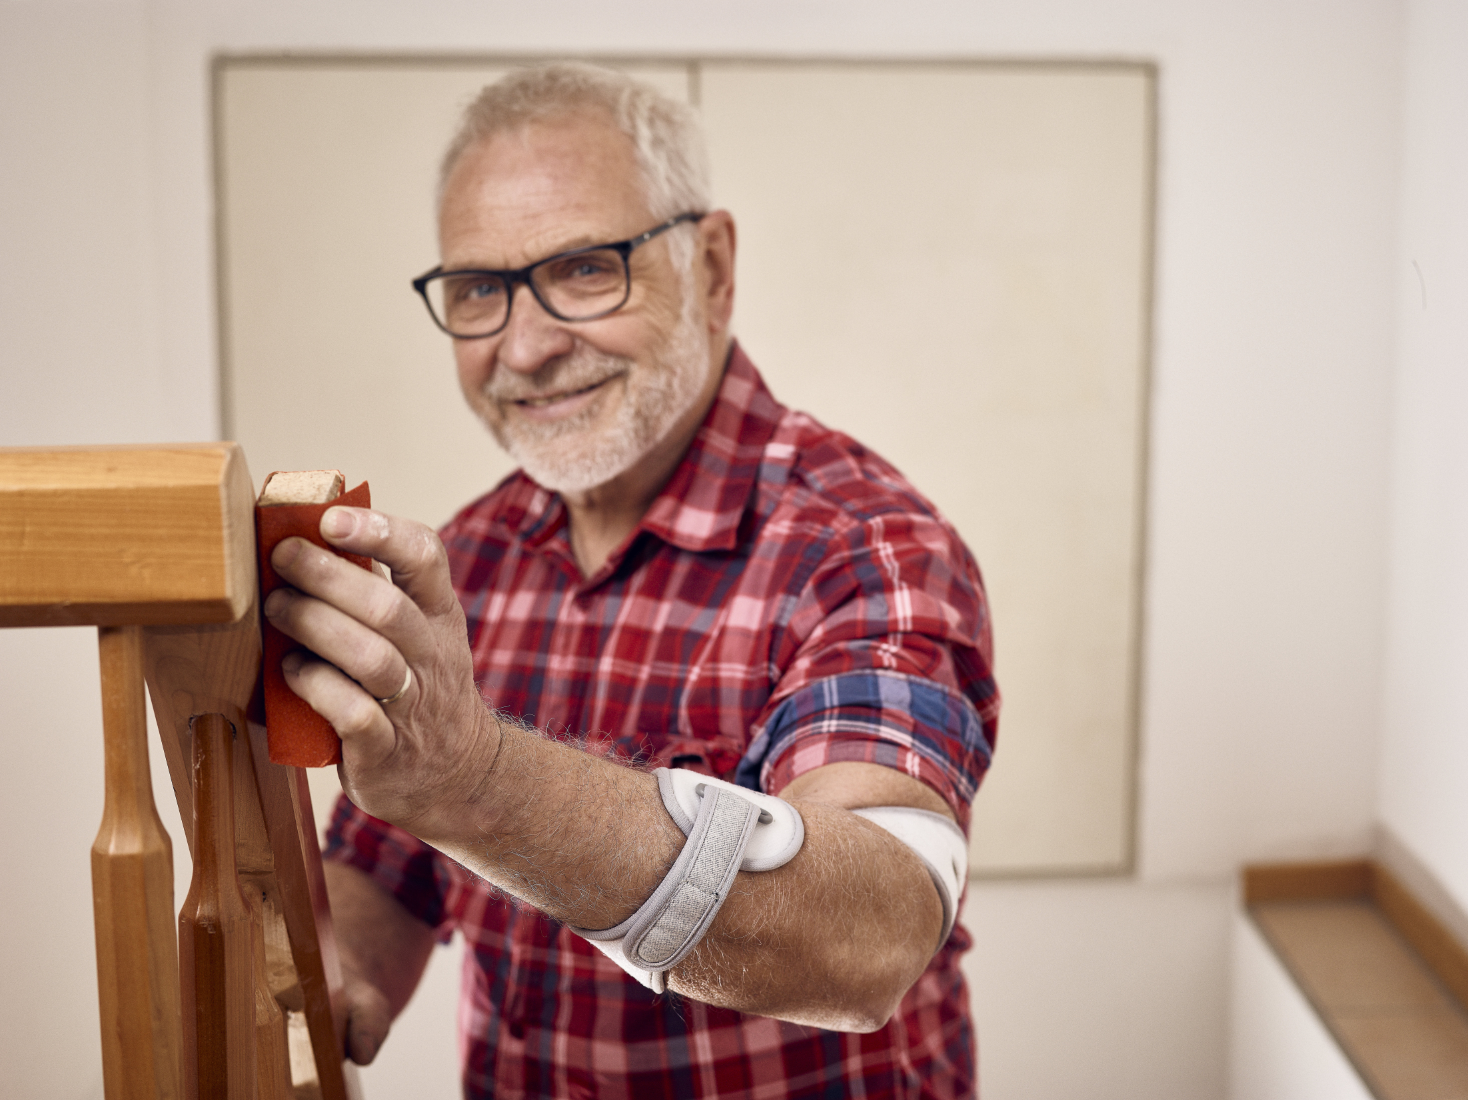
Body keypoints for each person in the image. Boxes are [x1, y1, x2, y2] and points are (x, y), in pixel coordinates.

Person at [262, 62, 997, 1099]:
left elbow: (867, 937)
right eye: (478, 289)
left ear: (712, 265)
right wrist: (328, 976)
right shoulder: (466, 556)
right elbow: (389, 866)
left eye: (583, 269)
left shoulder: (865, 544)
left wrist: (481, 777)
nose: (523, 345)